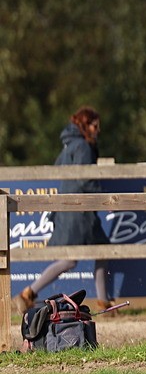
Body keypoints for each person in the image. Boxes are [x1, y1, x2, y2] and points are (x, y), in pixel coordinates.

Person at [16, 106, 114, 313]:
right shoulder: (83, 147)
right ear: (85, 125)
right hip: (79, 213)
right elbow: (84, 179)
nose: (98, 130)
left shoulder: (69, 145)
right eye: (95, 126)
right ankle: (29, 293)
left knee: (100, 251)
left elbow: (58, 167)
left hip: (71, 211)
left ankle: (104, 302)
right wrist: (104, 198)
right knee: (72, 259)